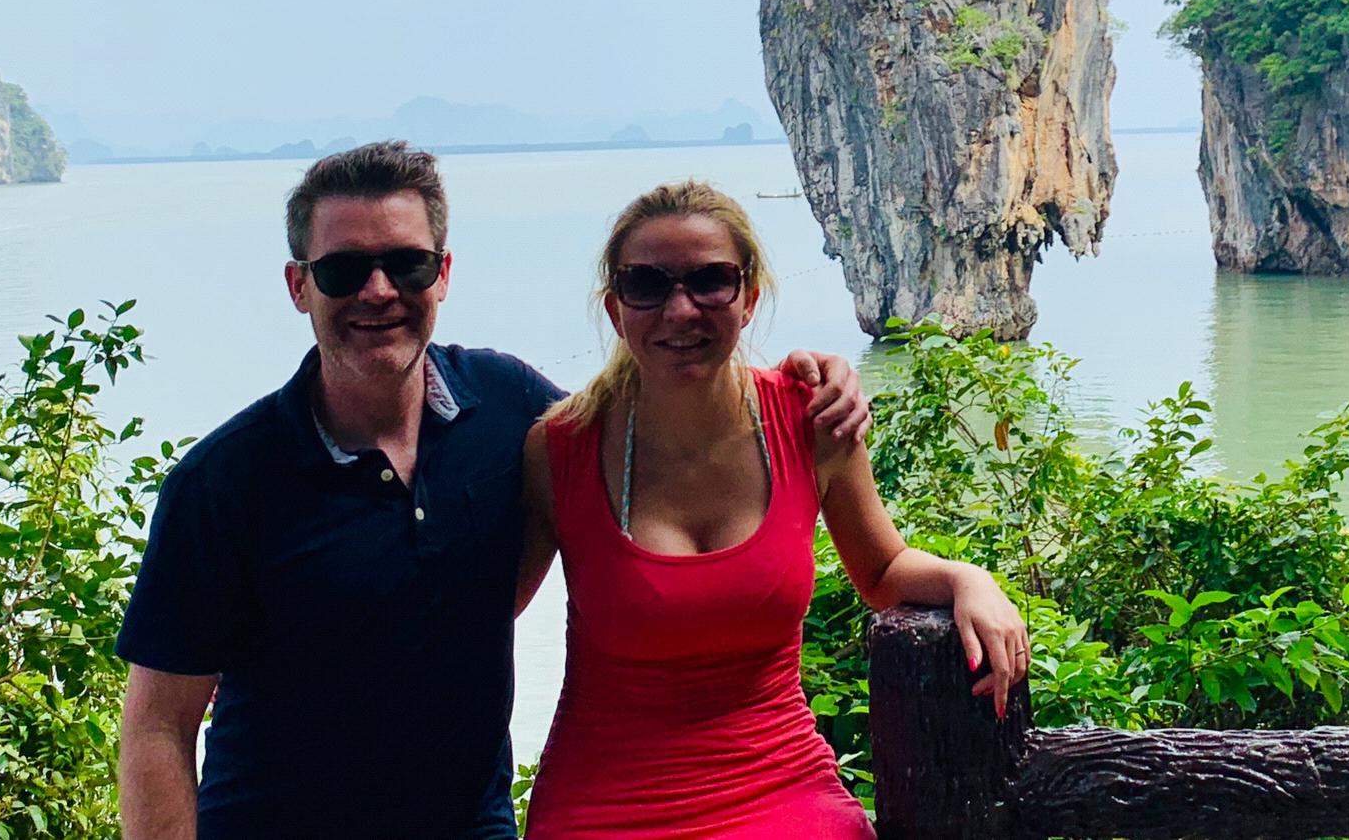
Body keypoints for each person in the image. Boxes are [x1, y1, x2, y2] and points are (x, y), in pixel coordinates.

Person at [115, 141, 869, 840]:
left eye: (407, 265)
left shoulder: (509, 409)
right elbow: (157, 726)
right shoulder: (226, 483)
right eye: (344, 271)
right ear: (298, 285)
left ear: (443, 275)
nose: (378, 292)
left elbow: (654, 424)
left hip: (470, 824)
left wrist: (803, 384)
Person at [515, 179, 1029, 839]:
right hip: (606, 799)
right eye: (647, 285)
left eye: (710, 281)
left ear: (749, 297)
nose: (680, 310)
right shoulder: (562, 450)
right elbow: (485, 615)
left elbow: (883, 569)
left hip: (778, 784)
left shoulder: (808, 419)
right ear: (616, 310)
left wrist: (968, 579)